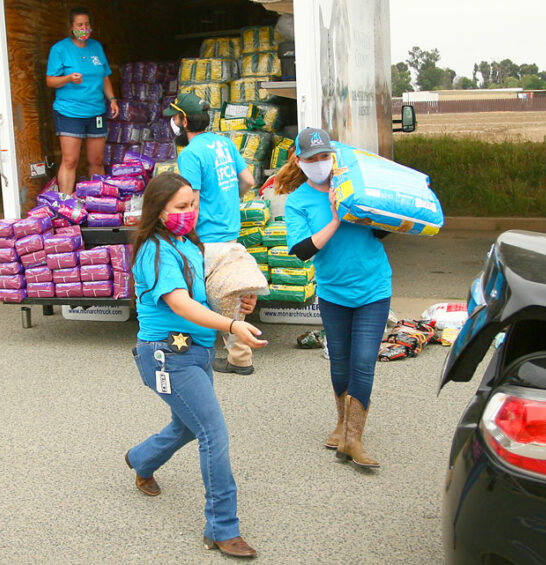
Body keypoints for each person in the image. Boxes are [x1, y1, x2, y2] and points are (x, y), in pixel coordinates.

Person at [126, 172, 266, 558]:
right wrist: (233, 325)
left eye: (193, 204)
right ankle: (222, 528)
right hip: (167, 357)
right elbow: (180, 303)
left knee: (188, 425)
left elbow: (201, 296)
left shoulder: (186, 243)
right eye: (181, 207)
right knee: (213, 433)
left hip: (195, 352)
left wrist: (238, 304)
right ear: (159, 211)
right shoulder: (155, 251)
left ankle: (141, 459)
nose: (190, 212)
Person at [277, 127, 392, 469]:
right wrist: (337, 217)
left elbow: (383, 231)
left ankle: (353, 439)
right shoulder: (298, 201)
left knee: (363, 361)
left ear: (333, 156)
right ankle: (342, 423)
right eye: (312, 158)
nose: (320, 163)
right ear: (299, 161)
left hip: (374, 287)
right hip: (333, 292)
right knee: (340, 361)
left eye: (324, 156)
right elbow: (300, 251)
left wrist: (369, 205)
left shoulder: (353, 188)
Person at [163, 93, 264, 375]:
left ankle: (195, 353)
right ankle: (239, 358)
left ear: (184, 120)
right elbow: (248, 180)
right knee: (231, 296)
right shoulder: (225, 143)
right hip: (231, 234)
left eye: (175, 117)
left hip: (206, 238)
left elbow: (190, 201)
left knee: (198, 296)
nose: (173, 122)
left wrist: (180, 234)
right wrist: (230, 200)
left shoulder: (192, 153)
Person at [45, 6, 119, 195]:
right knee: (70, 160)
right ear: (71, 27)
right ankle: (65, 203)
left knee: (97, 160)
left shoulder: (96, 47)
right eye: (80, 25)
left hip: (96, 111)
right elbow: (50, 80)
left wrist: (112, 99)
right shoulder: (60, 49)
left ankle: (98, 203)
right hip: (70, 111)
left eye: (87, 24)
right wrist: (69, 78)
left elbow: (104, 76)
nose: (84, 28)